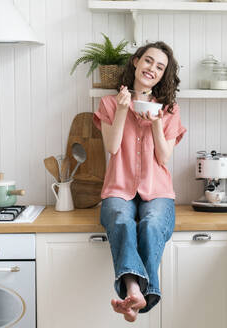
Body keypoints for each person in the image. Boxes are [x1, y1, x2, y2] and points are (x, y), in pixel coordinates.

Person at [93, 41, 186, 322]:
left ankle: (133, 295)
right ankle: (137, 291)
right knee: (120, 219)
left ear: (163, 76)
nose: (152, 69)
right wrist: (122, 110)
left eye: (160, 67)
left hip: (157, 190)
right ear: (135, 62)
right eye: (148, 61)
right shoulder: (110, 103)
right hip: (118, 188)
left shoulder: (168, 109)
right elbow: (111, 147)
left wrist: (157, 122)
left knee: (152, 223)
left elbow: (164, 157)